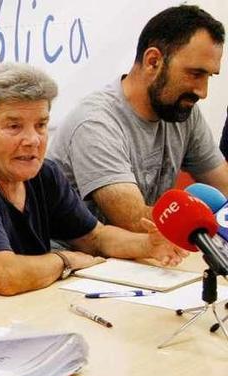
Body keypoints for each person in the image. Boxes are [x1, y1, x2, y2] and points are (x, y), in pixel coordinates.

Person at [0, 64, 184, 308]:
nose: (33, 140)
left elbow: (95, 238)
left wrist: (148, 244)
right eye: (14, 127)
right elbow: (6, 276)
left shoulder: (42, 173)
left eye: (41, 125)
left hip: (9, 320)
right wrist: (65, 260)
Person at [48, 5, 227, 232]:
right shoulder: (95, 123)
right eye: (195, 74)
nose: (203, 91)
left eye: (209, 76)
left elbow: (224, 187)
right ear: (153, 61)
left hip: (144, 259)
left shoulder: (181, 111)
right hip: (83, 263)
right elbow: (135, 222)